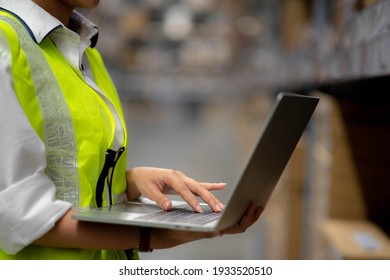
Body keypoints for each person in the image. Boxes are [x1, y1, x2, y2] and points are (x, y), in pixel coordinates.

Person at [0, 0, 263, 260]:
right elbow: (18, 215)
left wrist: (132, 182)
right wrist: (155, 235)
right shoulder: (5, 42)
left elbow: (74, 179)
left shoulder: (87, 54)